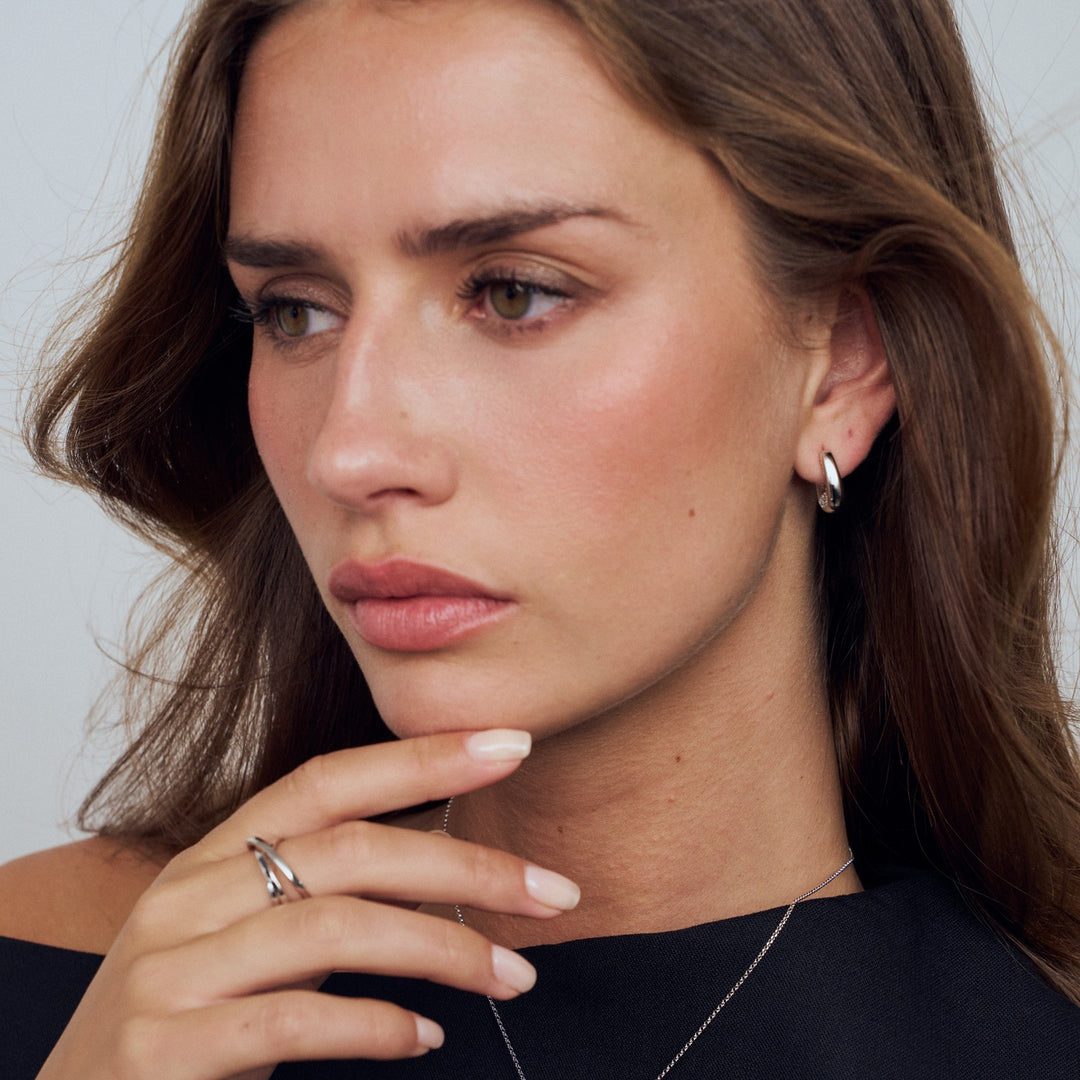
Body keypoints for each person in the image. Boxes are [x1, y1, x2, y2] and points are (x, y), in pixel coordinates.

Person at [2, 0, 1079, 1075]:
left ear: (843, 362)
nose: (351, 449)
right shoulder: (64, 989)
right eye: (295, 310)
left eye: (513, 293)